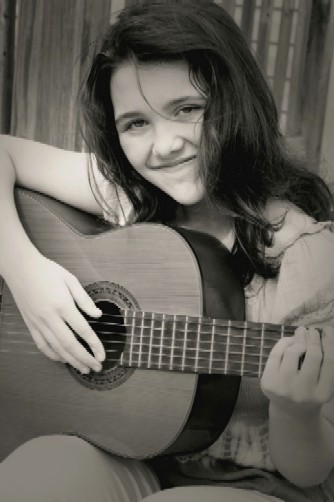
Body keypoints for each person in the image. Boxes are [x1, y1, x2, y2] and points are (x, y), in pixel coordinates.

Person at [0, 1, 334, 501]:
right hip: (134, 457)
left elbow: (310, 470)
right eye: (136, 123)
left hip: (261, 483)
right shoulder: (129, 197)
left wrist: (296, 411)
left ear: (235, 99)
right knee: (38, 473)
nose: (164, 145)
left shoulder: (308, 256)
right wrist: (27, 274)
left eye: (188, 110)